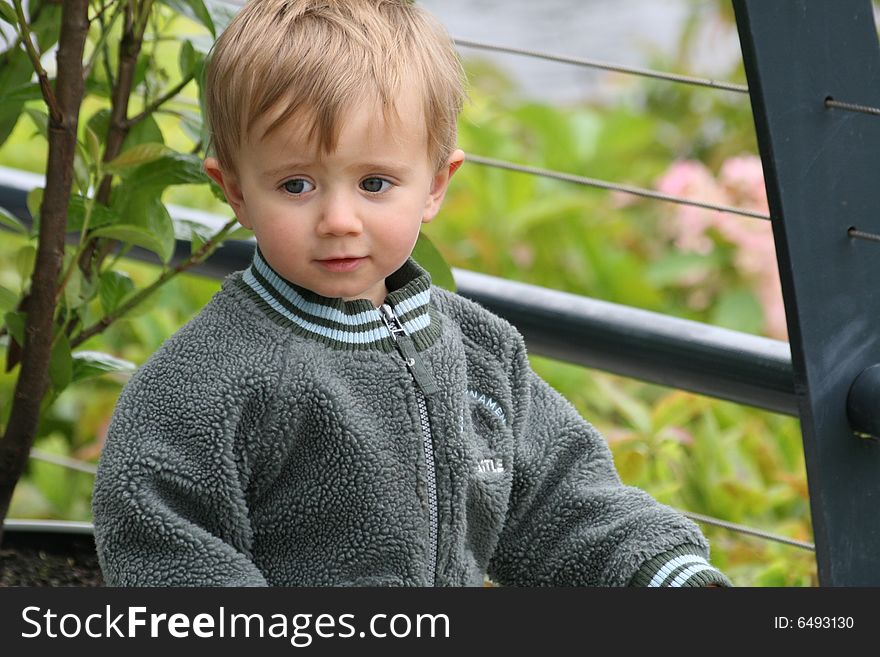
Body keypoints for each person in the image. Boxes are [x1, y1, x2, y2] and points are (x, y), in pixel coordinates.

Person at [92, 0, 730, 588]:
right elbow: (165, 552)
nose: (339, 219)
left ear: (434, 184)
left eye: (374, 182)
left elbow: (559, 499)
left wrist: (661, 573)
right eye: (295, 185)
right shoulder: (203, 384)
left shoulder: (481, 351)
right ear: (233, 189)